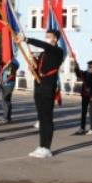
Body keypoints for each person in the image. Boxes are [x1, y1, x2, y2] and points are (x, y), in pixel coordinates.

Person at [21, 30, 65, 158]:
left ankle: (47, 147)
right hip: (39, 84)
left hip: (48, 85)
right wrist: (32, 68)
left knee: (47, 117)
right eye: (45, 36)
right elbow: (39, 68)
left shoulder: (57, 51)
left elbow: (44, 45)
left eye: (49, 37)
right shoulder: (43, 54)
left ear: (55, 39)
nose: (46, 38)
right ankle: (41, 145)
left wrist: (27, 40)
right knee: (41, 117)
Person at [74, 60, 92, 135]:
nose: (88, 67)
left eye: (90, 66)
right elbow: (79, 74)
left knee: (91, 112)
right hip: (85, 95)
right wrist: (76, 68)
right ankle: (82, 128)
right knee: (83, 112)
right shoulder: (86, 73)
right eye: (88, 66)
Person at [0, 59, 19, 124]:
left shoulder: (12, 64)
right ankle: (7, 117)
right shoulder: (9, 64)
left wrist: (4, 81)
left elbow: (11, 75)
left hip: (8, 84)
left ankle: (6, 118)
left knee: (6, 100)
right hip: (5, 84)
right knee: (5, 101)